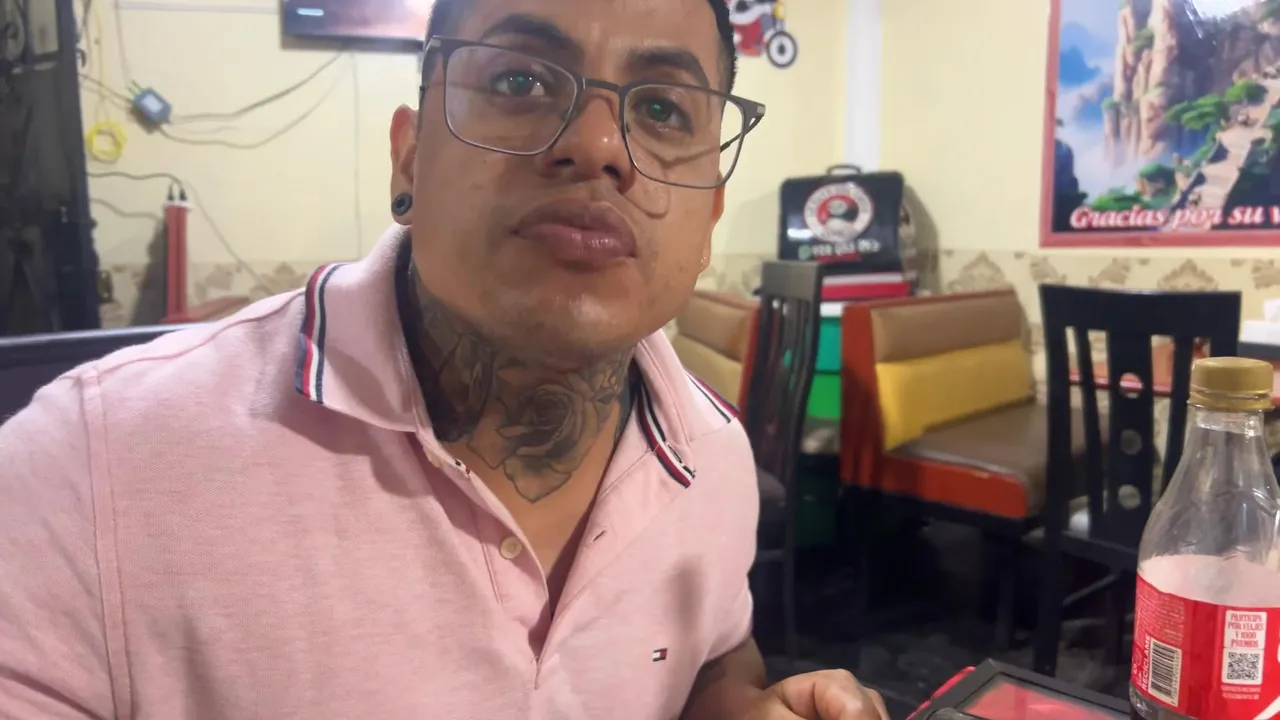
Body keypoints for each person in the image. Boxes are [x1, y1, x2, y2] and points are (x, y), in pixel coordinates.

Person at [0, 0, 889, 717]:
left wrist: (738, 706)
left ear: (709, 218)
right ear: (409, 160)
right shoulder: (90, 469)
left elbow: (711, 656)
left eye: (661, 109)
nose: (598, 146)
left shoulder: (714, 459)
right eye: (519, 80)